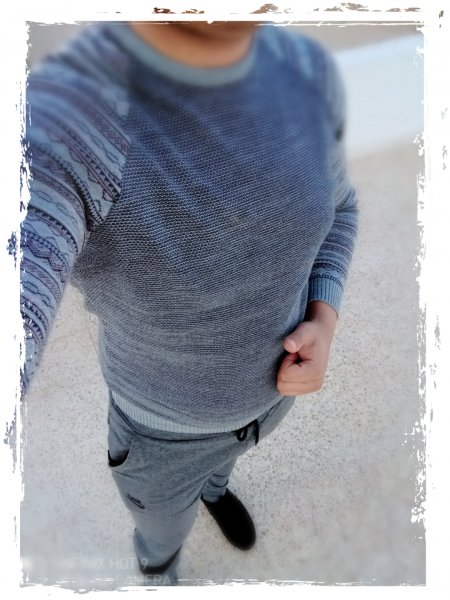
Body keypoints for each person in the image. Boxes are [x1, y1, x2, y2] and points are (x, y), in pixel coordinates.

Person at [22, 20, 358, 585]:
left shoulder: (307, 69)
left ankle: (215, 489)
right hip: (161, 438)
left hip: (271, 401)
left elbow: (341, 207)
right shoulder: (67, 125)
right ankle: (161, 575)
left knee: (227, 463)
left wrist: (324, 318)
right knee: (160, 538)